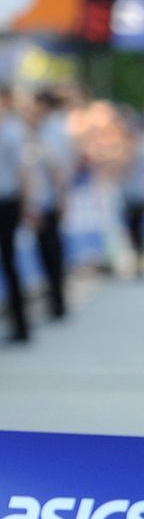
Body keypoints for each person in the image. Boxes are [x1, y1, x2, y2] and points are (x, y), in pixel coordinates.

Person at [27, 88, 73, 321]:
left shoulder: (51, 130)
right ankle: (57, 300)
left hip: (47, 199)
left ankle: (57, 302)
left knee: (50, 251)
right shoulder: (58, 127)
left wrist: (59, 198)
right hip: (51, 197)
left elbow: (56, 167)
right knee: (52, 251)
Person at [0, 90, 30, 344]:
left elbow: (22, 171)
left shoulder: (11, 131)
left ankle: (21, 325)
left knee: (9, 262)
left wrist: (26, 204)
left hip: (7, 202)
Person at [120, 108, 144, 278]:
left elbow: (126, 167)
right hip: (137, 193)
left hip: (136, 194)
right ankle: (139, 260)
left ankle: (139, 261)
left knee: (136, 229)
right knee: (136, 229)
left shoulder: (140, 148)